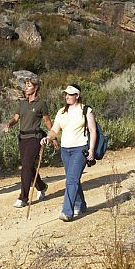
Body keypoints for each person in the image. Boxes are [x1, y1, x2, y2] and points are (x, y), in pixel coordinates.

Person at [42, 84, 97, 221]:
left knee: (71, 180)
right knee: (73, 178)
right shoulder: (61, 112)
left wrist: (91, 150)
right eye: (66, 94)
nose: (67, 96)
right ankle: (81, 205)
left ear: (77, 96)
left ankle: (67, 211)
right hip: (65, 150)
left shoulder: (86, 110)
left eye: (70, 94)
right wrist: (48, 138)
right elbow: (55, 130)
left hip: (80, 149)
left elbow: (93, 130)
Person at [2, 76, 55, 208]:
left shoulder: (41, 104)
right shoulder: (22, 103)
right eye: (25, 85)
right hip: (22, 138)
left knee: (25, 167)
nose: (26, 87)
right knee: (29, 167)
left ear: (36, 88)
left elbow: (47, 121)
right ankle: (41, 186)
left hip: (35, 138)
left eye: (29, 85)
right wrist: (9, 124)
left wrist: (53, 137)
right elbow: (15, 118)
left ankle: (23, 198)